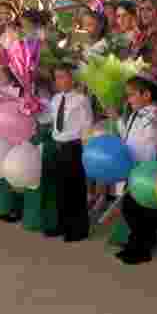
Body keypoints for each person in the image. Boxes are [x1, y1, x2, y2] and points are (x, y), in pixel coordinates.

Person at [115, 74, 157, 265]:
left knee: (138, 211)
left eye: (132, 95)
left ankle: (142, 248)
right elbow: (128, 136)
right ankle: (139, 242)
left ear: (147, 95)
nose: (128, 99)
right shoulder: (136, 114)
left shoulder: (154, 115)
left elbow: (153, 141)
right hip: (133, 167)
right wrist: (118, 120)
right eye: (127, 95)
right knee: (131, 209)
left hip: (145, 169)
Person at [47, 63, 94, 242]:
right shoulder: (55, 99)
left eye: (62, 76)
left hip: (73, 148)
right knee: (60, 188)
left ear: (72, 78)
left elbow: (87, 126)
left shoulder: (81, 100)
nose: (59, 81)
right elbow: (49, 119)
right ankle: (62, 224)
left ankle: (78, 229)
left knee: (75, 189)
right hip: (57, 146)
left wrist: (86, 149)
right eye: (56, 77)